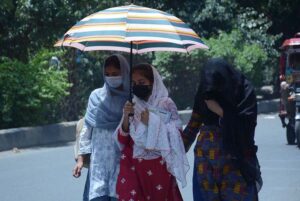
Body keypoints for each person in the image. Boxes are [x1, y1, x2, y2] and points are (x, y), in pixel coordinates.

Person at [182, 58, 262, 201]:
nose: (210, 90)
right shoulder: (204, 93)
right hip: (205, 163)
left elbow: (247, 127)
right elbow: (193, 125)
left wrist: (220, 111)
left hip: (236, 160)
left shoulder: (244, 91)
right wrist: (171, 153)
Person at [116, 63, 189, 201]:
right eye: (134, 83)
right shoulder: (132, 104)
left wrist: (153, 121)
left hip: (159, 166)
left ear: (153, 82)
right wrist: (126, 117)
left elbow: (177, 135)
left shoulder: (166, 103)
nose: (137, 86)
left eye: (142, 82)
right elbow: (122, 140)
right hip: (133, 165)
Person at [72, 54, 130, 201]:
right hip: (99, 162)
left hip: (122, 162)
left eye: (115, 74)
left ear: (124, 73)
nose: (111, 77)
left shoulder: (131, 99)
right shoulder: (96, 96)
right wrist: (80, 159)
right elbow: (87, 129)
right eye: (107, 74)